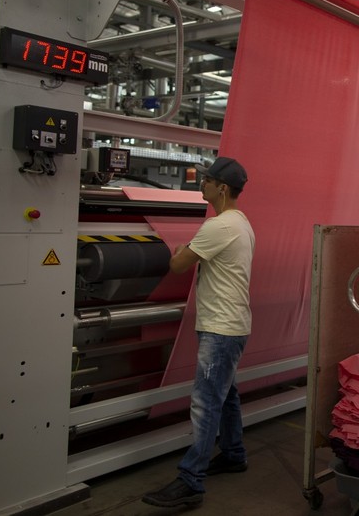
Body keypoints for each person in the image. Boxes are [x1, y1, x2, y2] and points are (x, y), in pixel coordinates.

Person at [143, 156, 256, 508]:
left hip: (220, 328)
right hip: (233, 324)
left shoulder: (218, 226)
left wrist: (179, 248)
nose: (201, 184)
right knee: (226, 395)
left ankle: (191, 481)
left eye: (206, 180)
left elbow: (178, 265)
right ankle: (234, 454)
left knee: (206, 402)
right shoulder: (242, 223)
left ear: (221, 188)